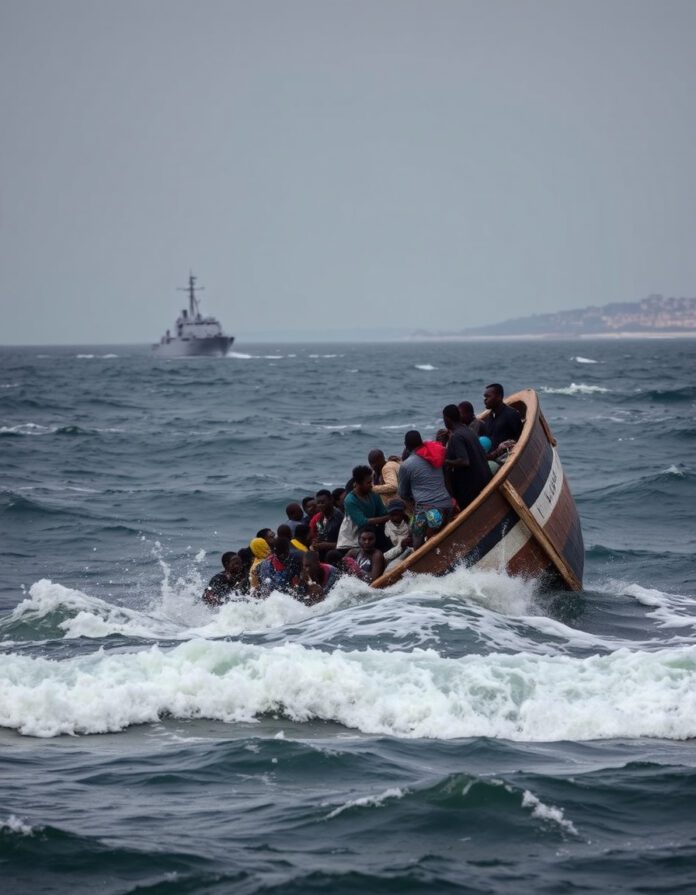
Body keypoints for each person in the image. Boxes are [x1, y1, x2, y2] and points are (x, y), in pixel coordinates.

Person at [398, 430, 454, 548]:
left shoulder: (406, 465)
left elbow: (403, 494)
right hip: (447, 505)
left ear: (406, 446)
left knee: (417, 543)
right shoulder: (435, 456)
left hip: (428, 513)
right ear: (421, 442)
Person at [442, 404, 492, 511]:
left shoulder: (456, 436)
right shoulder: (468, 430)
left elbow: (464, 461)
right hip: (485, 479)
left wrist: (445, 461)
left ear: (447, 419)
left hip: (472, 489)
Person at [337, 465, 390, 551]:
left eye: (371, 482)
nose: (371, 485)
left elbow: (382, 512)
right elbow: (362, 522)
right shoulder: (350, 500)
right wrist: (385, 518)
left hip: (372, 531)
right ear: (358, 484)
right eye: (368, 483)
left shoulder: (373, 495)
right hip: (354, 537)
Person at [482, 383, 523, 454]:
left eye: (488, 396)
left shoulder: (511, 414)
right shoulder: (489, 417)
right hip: (492, 455)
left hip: (507, 455)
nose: (485, 399)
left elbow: (521, 437)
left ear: (499, 397)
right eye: (484, 397)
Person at [309, 489, 344, 558]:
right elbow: (321, 534)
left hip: (337, 554)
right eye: (318, 503)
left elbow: (346, 543)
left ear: (331, 500)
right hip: (324, 552)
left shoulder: (340, 517)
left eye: (322, 502)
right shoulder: (319, 518)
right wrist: (316, 542)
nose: (320, 505)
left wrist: (327, 545)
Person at [383, 499, 412, 563]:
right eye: (392, 515)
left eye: (396, 514)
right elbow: (385, 556)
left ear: (402, 513)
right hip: (394, 558)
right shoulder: (387, 529)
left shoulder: (409, 524)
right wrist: (401, 546)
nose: (395, 518)